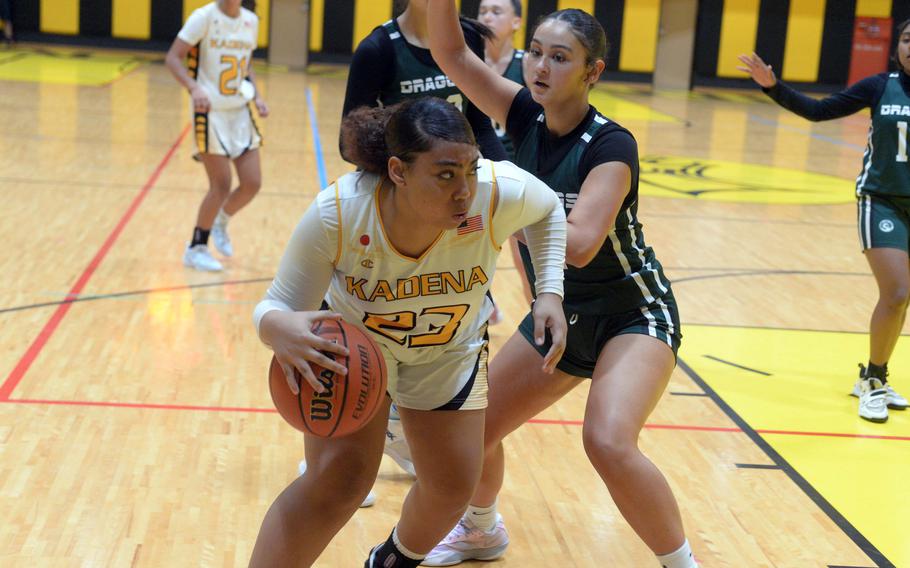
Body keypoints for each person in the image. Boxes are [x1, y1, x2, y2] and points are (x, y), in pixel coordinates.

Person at [425, 4, 696, 567]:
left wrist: (495, 200)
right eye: (537, 54)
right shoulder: (524, 116)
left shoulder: (611, 146)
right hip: (562, 312)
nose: (540, 67)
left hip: (633, 313)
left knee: (607, 441)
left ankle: (683, 564)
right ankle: (480, 529)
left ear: (591, 72)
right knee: (472, 430)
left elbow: (579, 243)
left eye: (560, 57)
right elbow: (452, 54)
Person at [249, 96, 568, 568]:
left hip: (448, 350)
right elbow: (274, 308)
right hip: (358, 353)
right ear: (398, 171)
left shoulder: (497, 191)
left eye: (471, 170)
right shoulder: (340, 212)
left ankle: (390, 560)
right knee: (337, 484)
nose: (464, 189)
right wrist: (278, 328)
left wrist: (550, 292)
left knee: (454, 485)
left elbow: (548, 211)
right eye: (445, 174)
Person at [316, 0, 508, 491]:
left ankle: (421, 450)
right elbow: (347, 141)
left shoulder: (465, 43)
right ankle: (334, 447)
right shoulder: (379, 48)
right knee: (366, 334)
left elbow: (481, 127)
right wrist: (413, 155)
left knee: (440, 336)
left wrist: (510, 182)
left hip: (454, 208)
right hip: (396, 209)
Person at [736, 25, 910, 424]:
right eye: (906, 39)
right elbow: (818, 111)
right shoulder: (881, 87)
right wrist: (772, 86)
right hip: (881, 201)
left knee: (904, 297)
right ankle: (875, 381)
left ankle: (872, 373)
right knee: (897, 291)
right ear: (896, 46)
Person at [165, 0, 269, 272]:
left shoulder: (250, 21)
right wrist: (193, 88)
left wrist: (257, 95)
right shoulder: (203, 17)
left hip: (240, 111)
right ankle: (196, 247)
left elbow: (246, 65)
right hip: (209, 111)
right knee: (221, 184)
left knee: (252, 182)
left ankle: (222, 220)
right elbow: (173, 58)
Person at [477, 0, 533, 304]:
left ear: (516, 22)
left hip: (517, 177)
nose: (487, 16)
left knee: (527, 265)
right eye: (483, 10)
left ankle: (539, 325)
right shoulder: (467, 62)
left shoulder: (529, 65)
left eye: (497, 11)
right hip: (472, 174)